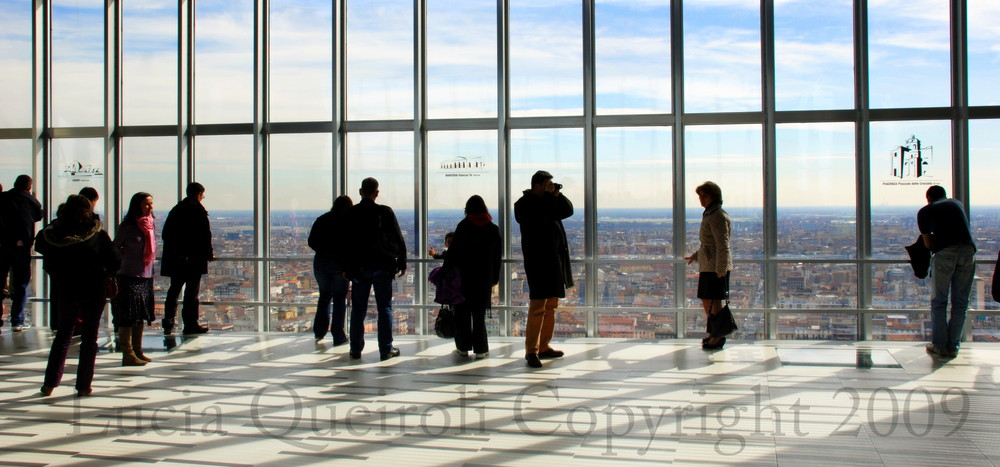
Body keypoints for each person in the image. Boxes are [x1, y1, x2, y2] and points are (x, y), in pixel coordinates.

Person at [36, 195, 121, 397]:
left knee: (63, 335)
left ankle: (50, 383)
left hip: (67, 287)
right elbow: (115, 260)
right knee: (90, 337)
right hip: (94, 287)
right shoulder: (96, 234)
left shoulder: (53, 233)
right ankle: (83, 384)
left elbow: (41, 247)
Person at [514, 170, 574, 368]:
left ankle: (544, 346)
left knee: (551, 304)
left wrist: (558, 194)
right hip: (538, 263)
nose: (551, 187)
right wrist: (549, 197)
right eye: (548, 184)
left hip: (555, 261)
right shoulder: (523, 205)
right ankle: (531, 351)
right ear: (537, 185)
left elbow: (568, 210)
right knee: (538, 305)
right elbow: (538, 219)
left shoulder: (549, 201)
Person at [343, 177, 407, 361]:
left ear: (360, 191)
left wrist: (346, 268)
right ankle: (385, 349)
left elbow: (344, 244)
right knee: (384, 308)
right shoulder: (385, 212)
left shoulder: (350, 214)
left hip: (359, 268)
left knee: (358, 309)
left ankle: (355, 349)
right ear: (376, 193)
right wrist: (401, 262)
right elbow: (397, 237)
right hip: (382, 267)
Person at [918, 185, 976, 358]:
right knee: (960, 302)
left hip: (945, 253)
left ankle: (940, 346)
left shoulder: (925, 211)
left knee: (939, 301)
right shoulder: (957, 204)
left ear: (928, 198)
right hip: (968, 251)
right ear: (945, 195)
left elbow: (928, 244)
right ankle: (954, 346)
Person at [444, 196, 501, 359]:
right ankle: (481, 349)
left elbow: (453, 254)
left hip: (463, 278)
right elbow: (497, 258)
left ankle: (463, 348)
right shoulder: (493, 229)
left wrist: (445, 273)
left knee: (462, 313)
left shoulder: (463, 227)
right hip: (483, 279)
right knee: (479, 315)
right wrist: (494, 278)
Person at [684, 181, 733, 350]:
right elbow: (709, 244)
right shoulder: (711, 214)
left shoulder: (717, 215)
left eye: (704, 196)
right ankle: (714, 333)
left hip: (714, 267)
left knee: (713, 301)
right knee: (709, 300)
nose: (701, 199)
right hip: (709, 265)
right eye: (700, 196)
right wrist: (697, 256)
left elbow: (722, 244)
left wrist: (721, 268)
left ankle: (717, 336)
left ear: (714, 196)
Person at [160, 182, 214, 335]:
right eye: (202, 195)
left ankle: (168, 322)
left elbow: (166, 234)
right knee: (191, 293)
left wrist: (178, 251)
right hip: (194, 260)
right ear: (199, 193)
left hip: (177, 260)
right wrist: (207, 253)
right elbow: (205, 235)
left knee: (174, 292)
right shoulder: (198, 210)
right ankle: (190, 324)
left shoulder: (176, 210)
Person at [112, 193, 157, 366]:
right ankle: (127, 353)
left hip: (145, 275)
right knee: (128, 314)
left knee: (140, 314)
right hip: (129, 275)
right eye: (146, 204)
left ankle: (137, 350)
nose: (150, 207)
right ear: (137, 205)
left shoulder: (150, 224)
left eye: (151, 203)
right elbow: (115, 246)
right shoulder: (128, 226)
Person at [0, 175, 43, 332]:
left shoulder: (3, 198)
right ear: (29, 187)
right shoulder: (30, 200)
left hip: (2, 246)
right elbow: (38, 215)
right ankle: (17, 321)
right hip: (21, 247)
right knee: (21, 284)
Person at [308, 195, 354, 344]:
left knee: (324, 297)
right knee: (340, 299)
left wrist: (323, 252)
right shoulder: (348, 222)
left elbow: (311, 241)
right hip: (340, 266)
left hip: (321, 265)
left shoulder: (322, 219)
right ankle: (338, 335)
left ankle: (319, 332)